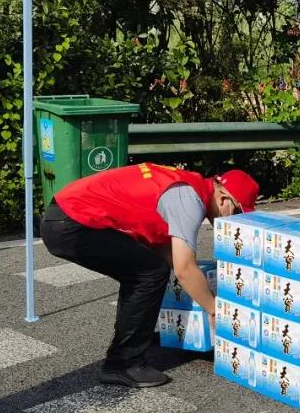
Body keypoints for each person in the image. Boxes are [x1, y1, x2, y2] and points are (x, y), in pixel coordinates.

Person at [40, 163, 259, 388]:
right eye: (237, 214)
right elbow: (184, 269)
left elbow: (166, 252)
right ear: (224, 200)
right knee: (149, 274)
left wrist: (199, 290)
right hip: (72, 222)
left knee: (149, 270)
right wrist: (214, 310)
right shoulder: (190, 199)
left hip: (64, 216)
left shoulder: (186, 186)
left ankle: (138, 340)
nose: (235, 223)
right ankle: (123, 363)